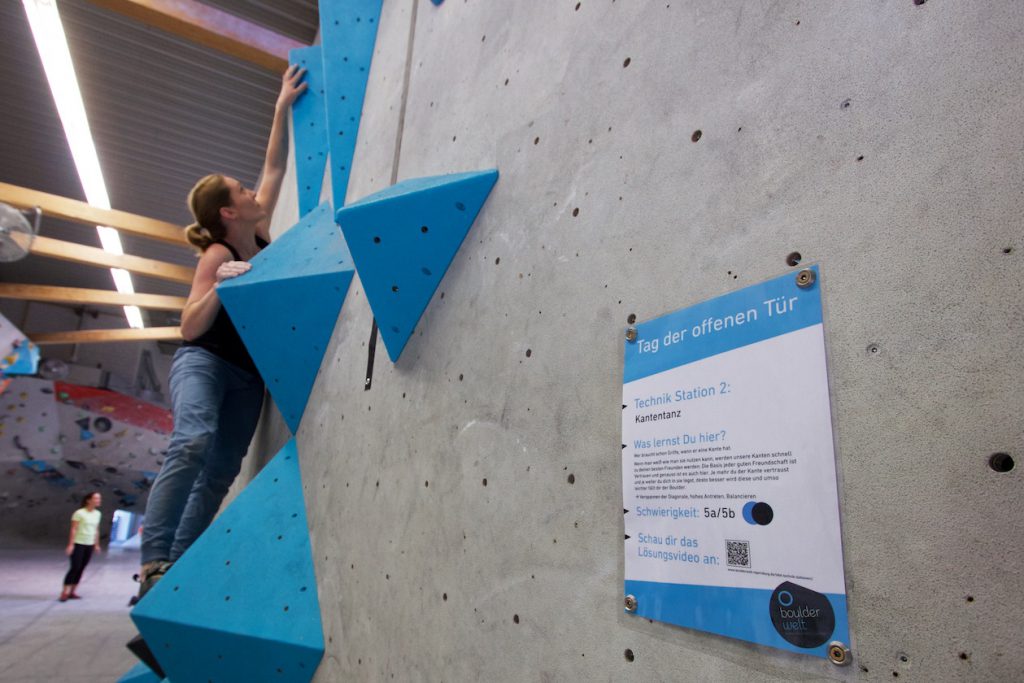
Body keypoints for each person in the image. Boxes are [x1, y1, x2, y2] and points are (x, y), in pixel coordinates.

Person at [137, 65, 307, 598]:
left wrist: (281, 105)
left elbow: (274, 164)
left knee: (221, 470)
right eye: (242, 188)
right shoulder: (220, 250)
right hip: (205, 362)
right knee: (191, 442)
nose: (254, 188)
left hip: (247, 375)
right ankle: (153, 562)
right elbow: (190, 326)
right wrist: (220, 284)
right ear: (228, 211)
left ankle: (178, 572)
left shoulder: (256, 232)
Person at [61, 491, 102, 601]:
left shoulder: (97, 514)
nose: (98, 501)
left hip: (89, 544)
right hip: (79, 543)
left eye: (99, 499)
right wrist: (71, 544)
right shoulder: (79, 513)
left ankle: (73, 591)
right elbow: (73, 529)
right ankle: (64, 592)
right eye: (96, 498)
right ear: (89, 500)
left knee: (82, 568)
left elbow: (96, 530)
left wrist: (96, 544)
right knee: (75, 567)